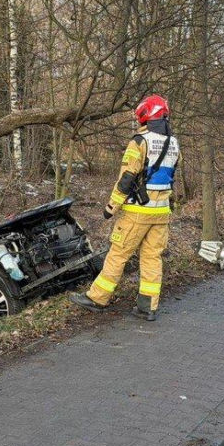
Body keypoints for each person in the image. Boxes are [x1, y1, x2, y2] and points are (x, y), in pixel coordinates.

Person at [69, 94, 180, 322]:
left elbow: (126, 179)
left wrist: (111, 206)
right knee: (152, 258)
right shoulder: (174, 143)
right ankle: (147, 307)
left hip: (138, 211)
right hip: (162, 212)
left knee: (118, 254)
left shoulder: (140, 142)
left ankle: (97, 298)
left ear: (145, 115)